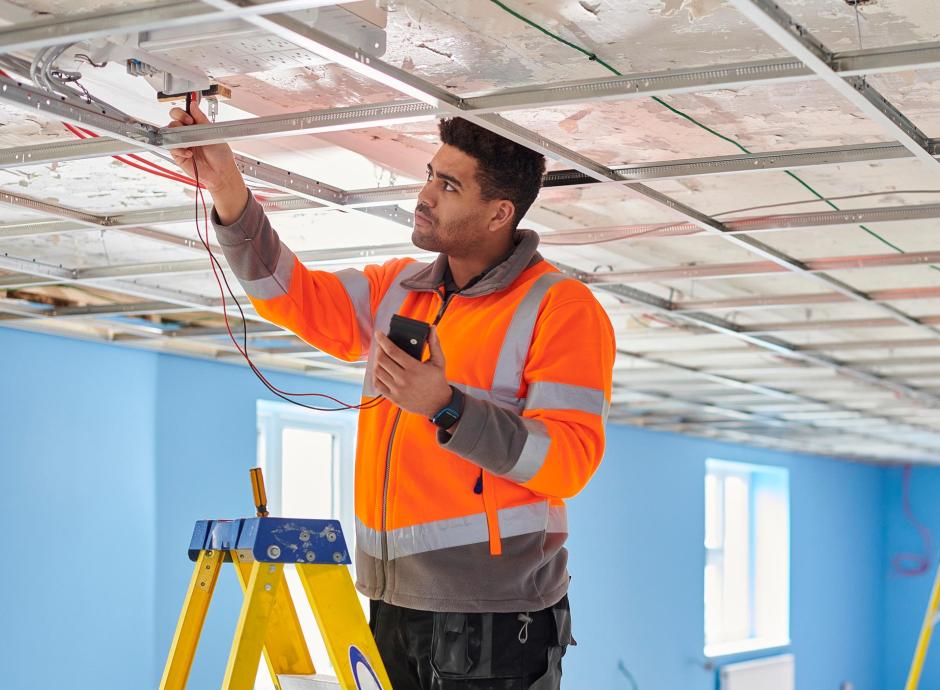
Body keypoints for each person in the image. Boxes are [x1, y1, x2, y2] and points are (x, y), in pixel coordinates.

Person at [168, 100, 615, 690]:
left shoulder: (561, 308)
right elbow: (292, 294)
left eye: (448, 185)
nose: (425, 193)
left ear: (498, 213)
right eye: (431, 173)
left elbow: (568, 461)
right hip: (389, 597)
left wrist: (447, 406)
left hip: (494, 615)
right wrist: (226, 181)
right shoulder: (400, 288)